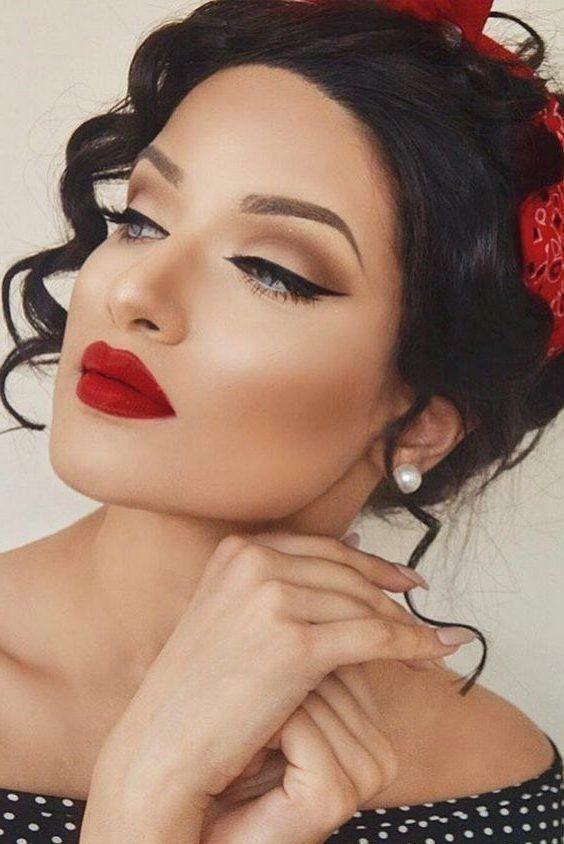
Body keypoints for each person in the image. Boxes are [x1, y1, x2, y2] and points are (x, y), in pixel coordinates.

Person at [0, 0, 562, 841]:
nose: (135, 291)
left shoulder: (495, 782)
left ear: (422, 424)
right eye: (141, 220)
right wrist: (144, 798)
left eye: (268, 269)